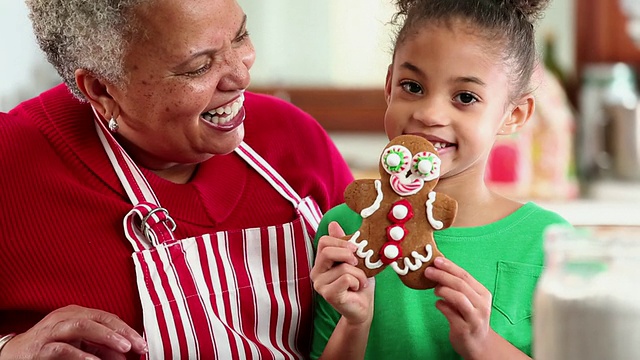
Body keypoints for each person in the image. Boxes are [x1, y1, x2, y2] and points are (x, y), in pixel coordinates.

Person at [0, 0, 353, 358]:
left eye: (240, 36)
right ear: (103, 90)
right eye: (198, 67)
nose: (241, 76)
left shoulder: (293, 137)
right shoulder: (9, 163)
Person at [310, 0, 570, 359]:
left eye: (465, 97)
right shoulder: (343, 232)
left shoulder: (553, 246)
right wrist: (354, 323)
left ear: (514, 114)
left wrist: (481, 341)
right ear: (389, 85)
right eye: (412, 86)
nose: (430, 114)